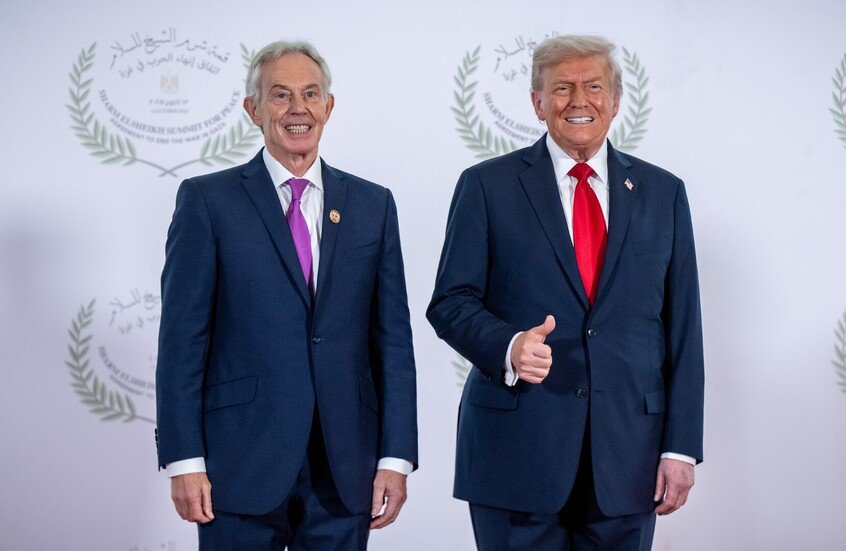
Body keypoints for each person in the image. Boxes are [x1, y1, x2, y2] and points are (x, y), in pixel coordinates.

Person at [427, 35, 703, 550]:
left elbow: (684, 329)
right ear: (537, 103)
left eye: (594, 86)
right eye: (561, 88)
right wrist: (509, 345)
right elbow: (450, 302)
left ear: (615, 101)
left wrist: (681, 448)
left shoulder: (664, 193)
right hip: (516, 455)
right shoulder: (486, 186)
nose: (579, 100)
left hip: (630, 458)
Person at [155, 40, 418, 549]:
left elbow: (392, 341)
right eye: (280, 95)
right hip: (239, 463)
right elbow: (182, 341)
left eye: (310, 94)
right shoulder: (207, 201)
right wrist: (184, 460)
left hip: (345, 467)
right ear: (253, 109)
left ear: (328, 106)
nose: (298, 108)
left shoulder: (373, 204)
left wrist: (396, 457)